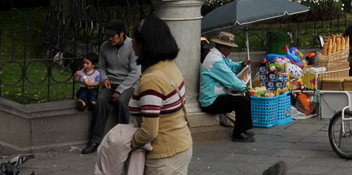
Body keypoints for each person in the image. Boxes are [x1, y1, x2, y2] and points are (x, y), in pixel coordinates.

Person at [128, 17, 192, 175]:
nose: (131, 41)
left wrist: (126, 142)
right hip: (180, 145)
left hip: (164, 156)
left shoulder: (152, 80)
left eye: (135, 37)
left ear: (145, 43)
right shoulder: (170, 66)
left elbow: (149, 132)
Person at [83, 19, 141, 155]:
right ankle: (95, 140)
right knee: (101, 101)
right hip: (111, 83)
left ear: (122, 34)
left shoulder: (132, 46)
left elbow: (135, 72)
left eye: (113, 36)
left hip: (129, 84)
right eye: (108, 36)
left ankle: (125, 140)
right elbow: (101, 67)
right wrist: (105, 79)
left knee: (122, 102)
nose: (110, 38)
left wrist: (120, 91)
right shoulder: (104, 47)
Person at [199, 32, 254, 144]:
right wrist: (244, 86)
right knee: (242, 102)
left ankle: (243, 129)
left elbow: (231, 66)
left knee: (246, 98)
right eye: (229, 48)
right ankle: (238, 134)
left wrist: (241, 65)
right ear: (222, 47)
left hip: (218, 96)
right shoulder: (216, 61)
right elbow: (233, 82)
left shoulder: (218, 57)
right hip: (211, 101)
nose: (231, 51)